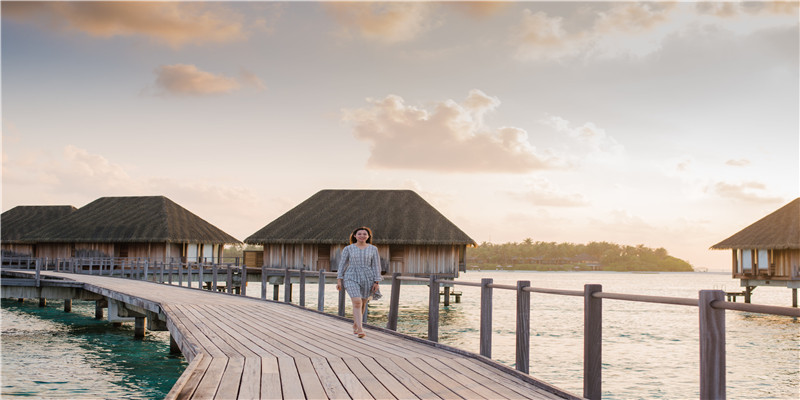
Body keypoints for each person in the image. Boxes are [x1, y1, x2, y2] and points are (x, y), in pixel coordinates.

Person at [336, 226, 382, 338]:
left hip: (368, 277)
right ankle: (360, 329)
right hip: (351, 275)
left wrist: (377, 281)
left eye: (365, 234)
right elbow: (342, 264)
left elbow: (376, 265)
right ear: (355, 236)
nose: (362, 236)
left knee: (363, 302)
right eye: (359, 234)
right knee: (357, 301)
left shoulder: (373, 249)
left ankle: (356, 325)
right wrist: (339, 280)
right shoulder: (348, 248)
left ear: (368, 236)